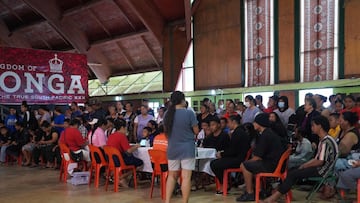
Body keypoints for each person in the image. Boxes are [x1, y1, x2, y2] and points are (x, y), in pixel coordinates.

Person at [261, 116, 338, 203]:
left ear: (320, 126)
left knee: (293, 174)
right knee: (292, 171)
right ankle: (279, 194)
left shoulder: (326, 141)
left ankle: (273, 198)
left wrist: (305, 165)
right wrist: (305, 165)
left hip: (323, 170)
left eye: (313, 125)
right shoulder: (325, 140)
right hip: (322, 168)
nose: (312, 128)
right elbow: (317, 159)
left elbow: (319, 161)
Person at [236, 113, 284, 201]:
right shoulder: (268, 133)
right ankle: (260, 190)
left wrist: (246, 163)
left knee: (244, 165)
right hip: (274, 163)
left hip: (271, 165)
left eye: (255, 122)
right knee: (250, 165)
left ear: (260, 123)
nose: (253, 124)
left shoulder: (265, 135)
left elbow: (258, 157)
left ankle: (250, 192)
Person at [163, 91, 199, 203]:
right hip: (187, 148)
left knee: (172, 175)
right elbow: (196, 130)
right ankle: (184, 201)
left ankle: (167, 201)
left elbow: (166, 132)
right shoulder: (189, 113)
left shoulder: (167, 114)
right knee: (186, 177)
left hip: (173, 148)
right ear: (182, 100)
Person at [210, 115, 251, 194]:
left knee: (214, 164)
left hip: (238, 159)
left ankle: (225, 184)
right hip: (238, 157)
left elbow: (233, 150)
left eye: (228, 122)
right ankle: (225, 183)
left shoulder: (238, 133)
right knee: (217, 162)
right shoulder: (239, 131)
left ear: (234, 122)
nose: (227, 125)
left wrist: (222, 154)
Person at [106, 119, 143, 187]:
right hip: (119, 160)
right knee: (140, 163)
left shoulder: (111, 136)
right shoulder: (122, 136)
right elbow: (128, 151)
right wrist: (136, 146)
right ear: (123, 128)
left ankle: (120, 178)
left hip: (110, 160)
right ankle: (122, 177)